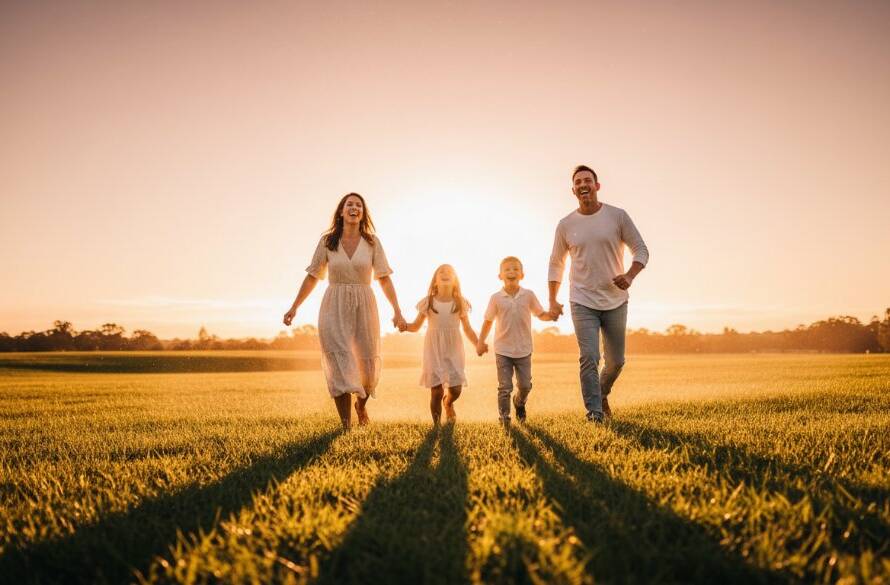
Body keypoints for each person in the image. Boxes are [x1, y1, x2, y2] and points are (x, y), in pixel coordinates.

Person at [283, 193, 407, 429]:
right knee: (339, 361)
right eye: (349, 204)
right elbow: (312, 276)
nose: (354, 207)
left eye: (358, 205)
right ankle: (346, 426)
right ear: (341, 212)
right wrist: (294, 307)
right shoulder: (328, 241)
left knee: (366, 363)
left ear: (363, 213)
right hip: (334, 304)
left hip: (365, 303)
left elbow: (384, 278)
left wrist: (397, 310)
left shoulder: (372, 242)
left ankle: (361, 404)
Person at [548, 165, 649, 423]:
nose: (583, 185)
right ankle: (594, 413)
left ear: (597, 186)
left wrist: (629, 276)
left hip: (615, 299)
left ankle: (601, 393)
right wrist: (552, 299)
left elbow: (641, 250)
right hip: (582, 300)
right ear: (573, 190)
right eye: (578, 182)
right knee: (590, 356)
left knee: (616, 361)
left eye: (588, 181)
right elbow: (556, 263)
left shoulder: (617, 216)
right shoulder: (565, 224)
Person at [476, 256, 555, 425]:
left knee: (525, 385)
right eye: (507, 269)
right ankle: (504, 419)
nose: (511, 272)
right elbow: (488, 321)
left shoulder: (528, 295)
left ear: (522, 275)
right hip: (503, 350)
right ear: (500, 276)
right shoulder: (496, 298)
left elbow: (540, 314)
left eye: (515, 269)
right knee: (504, 387)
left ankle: (519, 403)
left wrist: (551, 315)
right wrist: (481, 341)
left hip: (524, 349)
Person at [402, 264, 479, 425]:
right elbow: (416, 326)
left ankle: (449, 402)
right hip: (433, 349)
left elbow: (468, 329)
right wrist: (405, 326)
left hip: (454, 349)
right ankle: (436, 426)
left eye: (449, 272)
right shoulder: (428, 302)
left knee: (456, 389)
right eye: (441, 272)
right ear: (435, 282)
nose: (445, 273)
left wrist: (478, 343)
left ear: (455, 281)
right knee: (436, 391)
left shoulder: (460, 303)